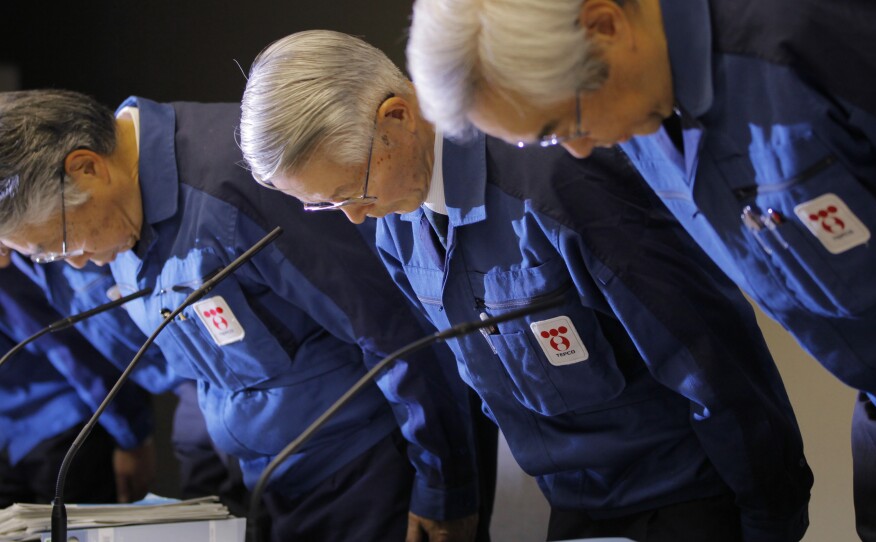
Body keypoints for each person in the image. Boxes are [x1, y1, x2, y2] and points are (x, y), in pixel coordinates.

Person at [238, 30, 814, 541]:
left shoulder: (556, 179)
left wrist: (771, 517)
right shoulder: (398, 224)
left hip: (686, 499)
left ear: (397, 117)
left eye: (352, 190)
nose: (355, 218)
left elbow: (710, 353)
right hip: (574, 505)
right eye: (328, 205)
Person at [405, 1, 876, 539]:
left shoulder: (803, 35)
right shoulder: (646, 124)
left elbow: (705, 345)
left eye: (566, 122)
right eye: (541, 140)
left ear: (605, 25)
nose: (578, 151)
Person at [0, 89, 482, 542]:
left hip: (366, 469)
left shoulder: (238, 180)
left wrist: (445, 485)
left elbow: (396, 329)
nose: (76, 263)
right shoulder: (118, 218)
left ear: (87, 168)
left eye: (58, 247)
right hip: (266, 485)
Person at [0, 263, 155, 506]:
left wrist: (132, 438)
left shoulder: (9, 273)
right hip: (14, 445)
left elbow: (70, 351)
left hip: (65, 434)